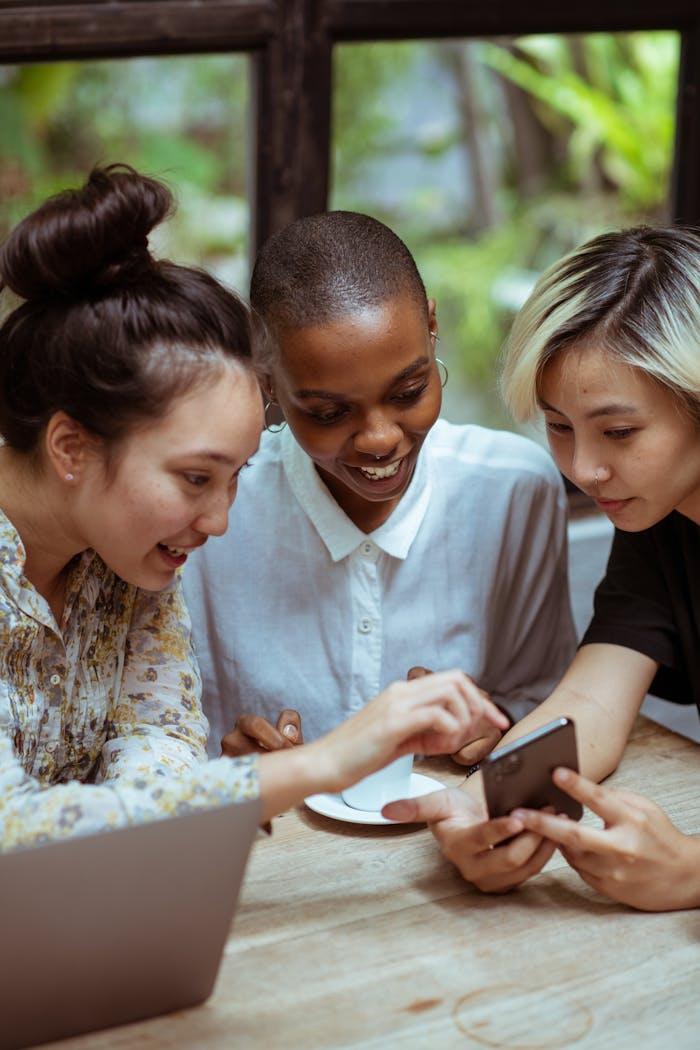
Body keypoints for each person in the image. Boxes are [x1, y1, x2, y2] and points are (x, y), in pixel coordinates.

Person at [0, 165, 509, 853]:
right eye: (194, 478)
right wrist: (326, 760)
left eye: (236, 475)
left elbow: (160, 745)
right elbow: (12, 826)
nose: (219, 521)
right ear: (70, 446)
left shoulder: (124, 559)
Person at [183, 210, 576, 762]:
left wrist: (494, 723)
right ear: (267, 379)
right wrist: (232, 767)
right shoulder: (212, 518)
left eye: (410, 391)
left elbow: (549, 697)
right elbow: (161, 743)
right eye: (327, 412)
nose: (379, 439)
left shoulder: (513, 491)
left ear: (432, 326)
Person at [385, 225, 700, 912]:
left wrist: (694, 873)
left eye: (618, 432)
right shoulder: (660, 516)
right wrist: (483, 806)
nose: (584, 470)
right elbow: (590, 702)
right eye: (559, 426)